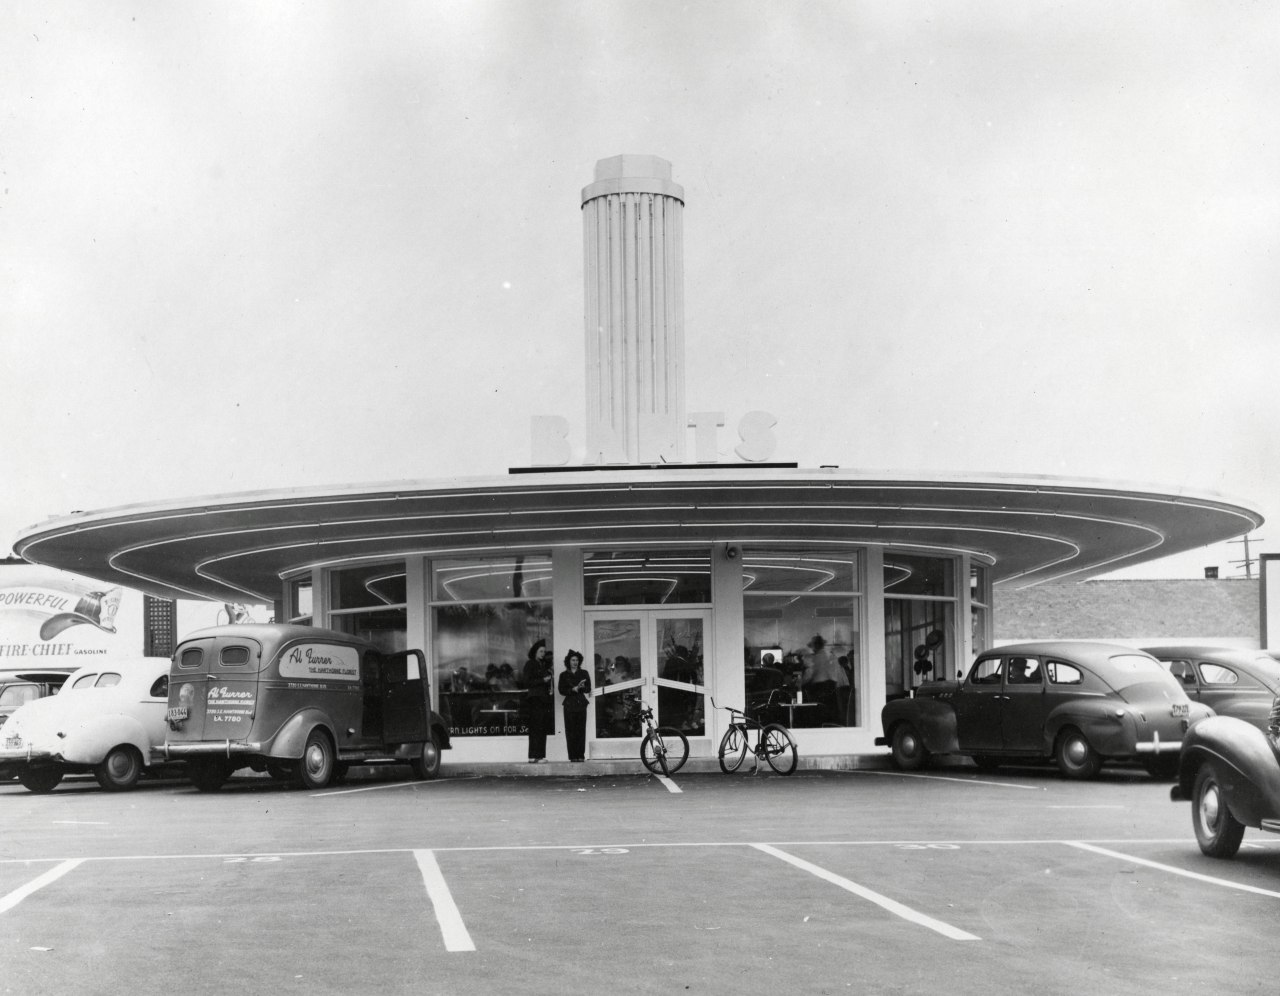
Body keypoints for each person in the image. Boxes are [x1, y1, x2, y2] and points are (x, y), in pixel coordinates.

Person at [522, 639, 554, 762]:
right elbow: (526, 682)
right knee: (536, 727)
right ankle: (534, 756)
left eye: (544, 651)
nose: (543, 653)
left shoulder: (542, 665)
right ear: (535, 652)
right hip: (535, 699)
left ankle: (538, 755)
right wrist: (542, 681)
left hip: (543, 699)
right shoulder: (530, 664)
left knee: (541, 727)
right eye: (540, 651)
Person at [558, 649, 591, 762]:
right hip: (569, 704)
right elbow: (561, 690)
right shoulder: (563, 675)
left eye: (577, 660)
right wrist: (573, 689)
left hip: (581, 703)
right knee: (570, 731)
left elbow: (588, 689)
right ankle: (572, 756)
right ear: (568, 661)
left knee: (581, 730)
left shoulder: (584, 673)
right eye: (573, 660)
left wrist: (582, 688)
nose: (575, 662)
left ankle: (580, 755)